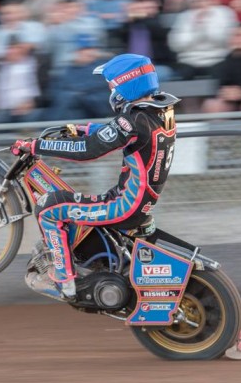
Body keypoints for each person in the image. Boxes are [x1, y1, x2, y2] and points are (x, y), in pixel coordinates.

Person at [10, 53, 180, 300]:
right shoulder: (158, 111)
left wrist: (37, 146)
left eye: (111, 86)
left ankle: (64, 281)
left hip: (125, 206)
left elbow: (86, 151)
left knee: (48, 207)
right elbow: (114, 133)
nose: (110, 91)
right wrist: (82, 129)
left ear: (126, 84)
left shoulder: (132, 120)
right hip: (140, 202)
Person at [168, 0, 237, 80]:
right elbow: (176, 45)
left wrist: (206, 26)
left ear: (213, 0)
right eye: (198, 1)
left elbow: (227, 41)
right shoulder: (183, 17)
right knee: (182, 76)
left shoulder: (225, 13)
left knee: (223, 73)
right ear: (191, 2)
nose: (202, 4)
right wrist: (198, 29)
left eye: (206, 0)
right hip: (188, 61)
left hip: (219, 59)